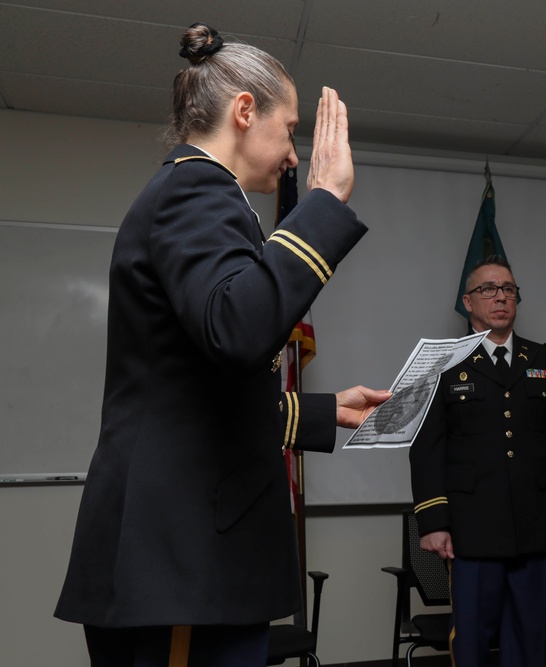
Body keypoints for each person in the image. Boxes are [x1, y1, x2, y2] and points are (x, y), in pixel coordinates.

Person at [54, 23, 391, 666]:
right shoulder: (196, 189)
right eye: (286, 129)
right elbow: (237, 330)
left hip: (185, 563)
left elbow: (198, 384)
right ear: (244, 112)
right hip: (181, 564)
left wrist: (322, 410)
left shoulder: (200, 195)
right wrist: (322, 203)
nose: (293, 154)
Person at [409, 255, 546, 667]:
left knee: (529, 636)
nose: (501, 297)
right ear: (468, 302)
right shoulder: (442, 363)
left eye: (508, 289)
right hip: (471, 528)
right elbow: (426, 447)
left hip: (534, 522)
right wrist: (433, 522)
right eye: (488, 289)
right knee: (471, 639)